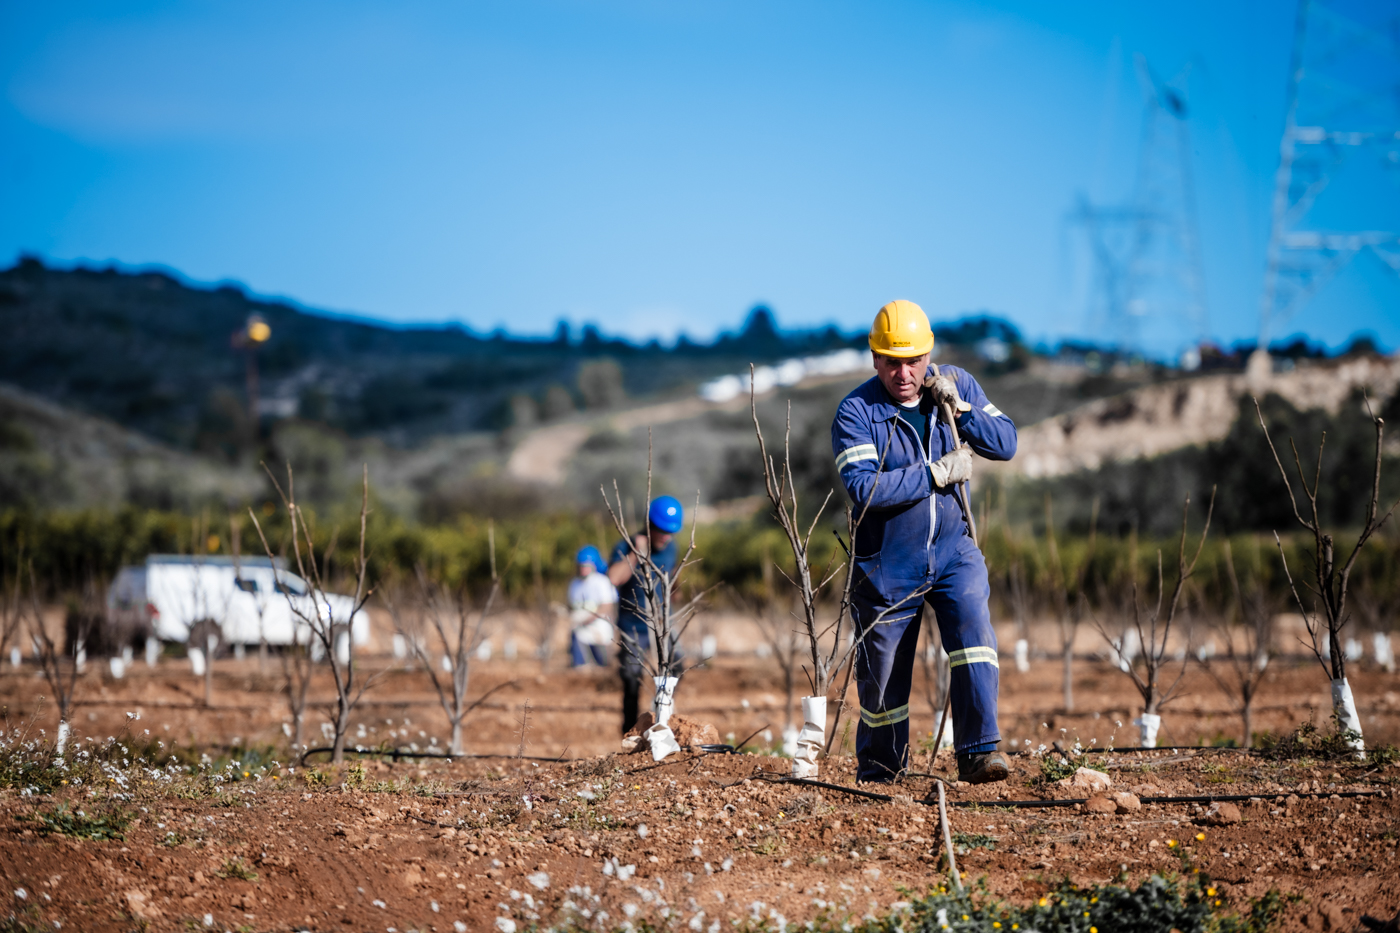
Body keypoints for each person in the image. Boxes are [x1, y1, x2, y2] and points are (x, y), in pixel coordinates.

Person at [830, 299, 1017, 785]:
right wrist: (933, 473)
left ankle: (979, 752)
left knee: (974, 633)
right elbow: (864, 488)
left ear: (928, 355)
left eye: (913, 360)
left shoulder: (957, 384)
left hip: (955, 548)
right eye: (891, 361)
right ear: (875, 359)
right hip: (889, 563)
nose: (904, 372)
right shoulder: (856, 412)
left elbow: (1006, 442)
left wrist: (963, 411)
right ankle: (883, 768)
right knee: (885, 672)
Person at [608, 495, 685, 733]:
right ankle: (629, 731)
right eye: (661, 530)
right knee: (632, 679)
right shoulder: (625, 546)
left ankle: (659, 712)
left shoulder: (672, 548)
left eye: (671, 532)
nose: (666, 536)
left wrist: (674, 593)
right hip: (633, 626)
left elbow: (671, 575)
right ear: (649, 525)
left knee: (677, 664)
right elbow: (613, 578)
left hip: (662, 624)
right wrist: (636, 554)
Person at [568, 545, 617, 667]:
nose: (583, 568)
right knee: (579, 665)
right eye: (581, 565)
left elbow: (607, 606)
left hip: (599, 630)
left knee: (603, 664)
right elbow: (572, 606)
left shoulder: (601, 582)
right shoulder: (574, 584)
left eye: (586, 565)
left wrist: (588, 620)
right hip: (579, 630)